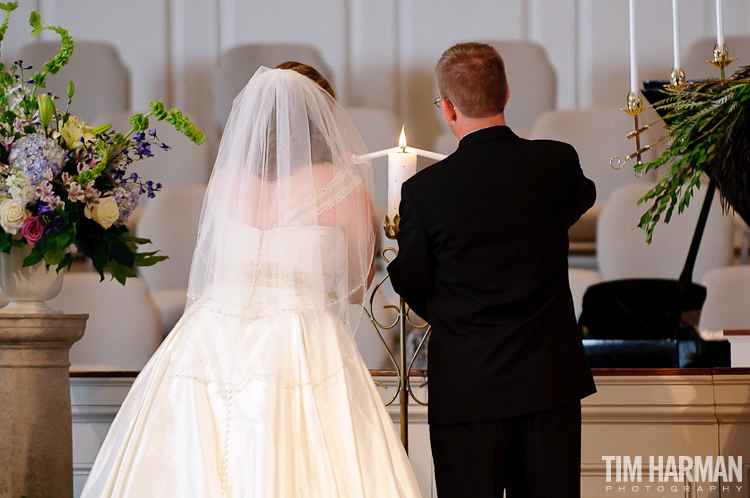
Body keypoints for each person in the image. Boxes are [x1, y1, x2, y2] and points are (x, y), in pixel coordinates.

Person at [81, 63, 422, 498]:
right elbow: (356, 285)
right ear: (323, 120)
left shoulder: (225, 181)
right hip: (301, 336)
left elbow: (212, 262)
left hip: (211, 331)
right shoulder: (344, 187)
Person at [388, 42, 597, 498]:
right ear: (505, 93)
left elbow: (411, 280)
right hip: (549, 386)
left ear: (447, 108)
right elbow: (582, 197)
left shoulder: (426, 191)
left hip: (469, 389)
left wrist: (453, 308)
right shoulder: (557, 162)